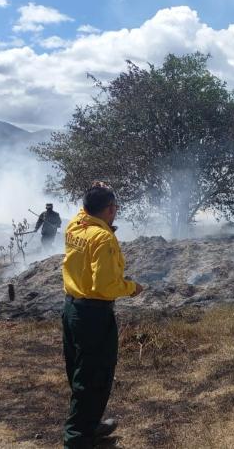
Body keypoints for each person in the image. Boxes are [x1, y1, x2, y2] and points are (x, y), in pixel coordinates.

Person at [61, 182, 145, 448]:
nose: (116, 211)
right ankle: (78, 440)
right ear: (109, 209)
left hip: (73, 308)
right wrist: (132, 288)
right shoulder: (102, 238)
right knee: (93, 376)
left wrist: (95, 190)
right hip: (93, 315)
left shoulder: (76, 225)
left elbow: (86, 207)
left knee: (80, 371)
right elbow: (105, 286)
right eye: (114, 207)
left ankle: (89, 425)